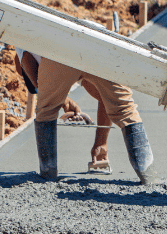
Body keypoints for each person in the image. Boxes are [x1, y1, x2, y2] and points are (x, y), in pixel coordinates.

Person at [14, 48, 156, 184]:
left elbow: (38, 82)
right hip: (101, 49)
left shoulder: (23, 48)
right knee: (126, 110)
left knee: (46, 111)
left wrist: (61, 101)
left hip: (59, 51)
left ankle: (48, 174)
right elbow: (104, 97)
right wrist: (101, 142)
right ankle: (148, 175)